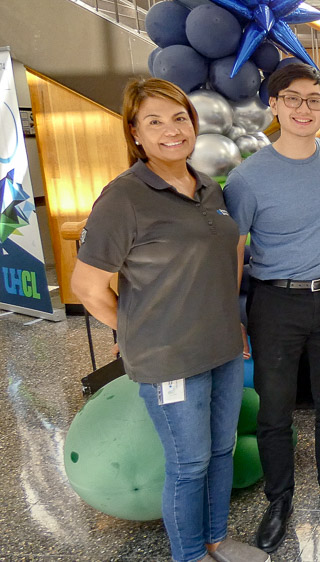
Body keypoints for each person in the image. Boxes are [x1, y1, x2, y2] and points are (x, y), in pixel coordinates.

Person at [71, 78, 268, 562]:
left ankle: (216, 540)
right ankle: (189, 555)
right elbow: (87, 288)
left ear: (193, 123)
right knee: (189, 463)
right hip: (169, 361)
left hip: (222, 347)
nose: (171, 130)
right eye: (154, 121)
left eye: (179, 118)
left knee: (221, 451)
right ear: (135, 133)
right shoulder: (124, 198)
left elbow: (228, 256)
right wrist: (131, 330)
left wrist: (232, 319)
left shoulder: (206, 188)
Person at [223, 63, 320, 553]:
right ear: (274, 105)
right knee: (275, 408)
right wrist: (232, 315)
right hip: (274, 302)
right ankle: (279, 498)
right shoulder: (247, 176)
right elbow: (234, 248)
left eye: (314, 100)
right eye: (293, 99)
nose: (304, 108)